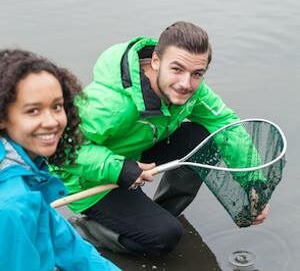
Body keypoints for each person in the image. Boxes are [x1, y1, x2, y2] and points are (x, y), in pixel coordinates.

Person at [52, 21, 270, 256]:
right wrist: (119, 168)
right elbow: (61, 149)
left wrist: (252, 182)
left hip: (133, 150)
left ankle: (162, 211)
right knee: (164, 238)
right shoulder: (111, 105)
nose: (186, 84)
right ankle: (88, 229)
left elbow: (226, 124)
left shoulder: (192, 91)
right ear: (156, 61)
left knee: (204, 137)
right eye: (177, 69)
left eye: (197, 74)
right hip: (84, 177)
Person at [0, 49, 120, 270]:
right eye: (33, 111)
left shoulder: (26, 171)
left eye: (57, 106)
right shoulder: (13, 205)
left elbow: (68, 247)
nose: (51, 121)